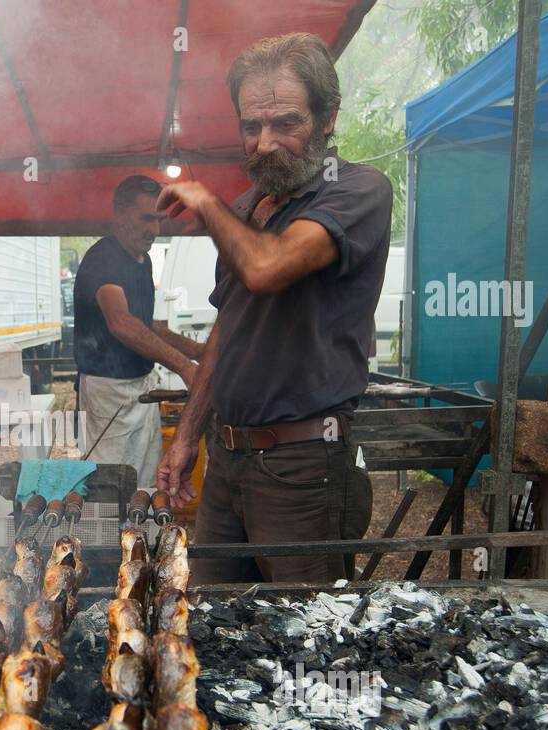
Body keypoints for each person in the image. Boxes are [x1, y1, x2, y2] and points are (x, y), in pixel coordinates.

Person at [156, 33, 391, 583]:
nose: (264, 143)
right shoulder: (246, 208)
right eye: (251, 126)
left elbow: (266, 269)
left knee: (302, 635)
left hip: (304, 465)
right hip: (227, 457)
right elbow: (228, 328)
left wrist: (206, 202)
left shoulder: (358, 191)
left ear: (328, 117)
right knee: (212, 621)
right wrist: (189, 434)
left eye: (286, 123)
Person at [73, 175, 205, 486]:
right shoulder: (103, 258)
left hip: (141, 387)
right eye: (147, 219)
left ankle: (140, 532)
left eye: (159, 220)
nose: (156, 231)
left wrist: (201, 352)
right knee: (111, 482)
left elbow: (147, 325)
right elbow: (121, 322)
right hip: (109, 392)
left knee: (145, 479)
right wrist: (185, 367)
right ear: (119, 214)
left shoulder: (142, 261)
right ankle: (110, 535)